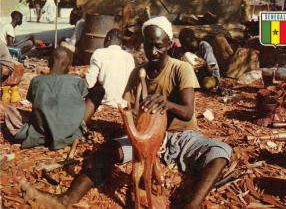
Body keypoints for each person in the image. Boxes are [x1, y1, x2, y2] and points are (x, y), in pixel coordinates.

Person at [20, 16, 232, 209]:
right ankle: (65, 200)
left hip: (181, 135)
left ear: (169, 44)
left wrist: (167, 104)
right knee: (105, 151)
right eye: (149, 46)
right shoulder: (137, 73)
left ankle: (192, 205)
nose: (154, 52)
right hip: (147, 138)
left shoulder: (180, 69)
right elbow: (132, 113)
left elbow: (187, 112)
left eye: (159, 46)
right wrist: (136, 127)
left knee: (220, 151)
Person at [1, 46, 88, 150]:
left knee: (11, 111)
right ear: (69, 66)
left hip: (40, 133)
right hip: (70, 132)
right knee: (98, 92)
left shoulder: (36, 81)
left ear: (49, 62)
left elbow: (36, 106)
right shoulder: (77, 80)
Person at [82, 28, 135, 123]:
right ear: (121, 44)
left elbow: (89, 83)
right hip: (124, 106)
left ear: (108, 38)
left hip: (104, 104)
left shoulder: (99, 53)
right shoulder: (129, 57)